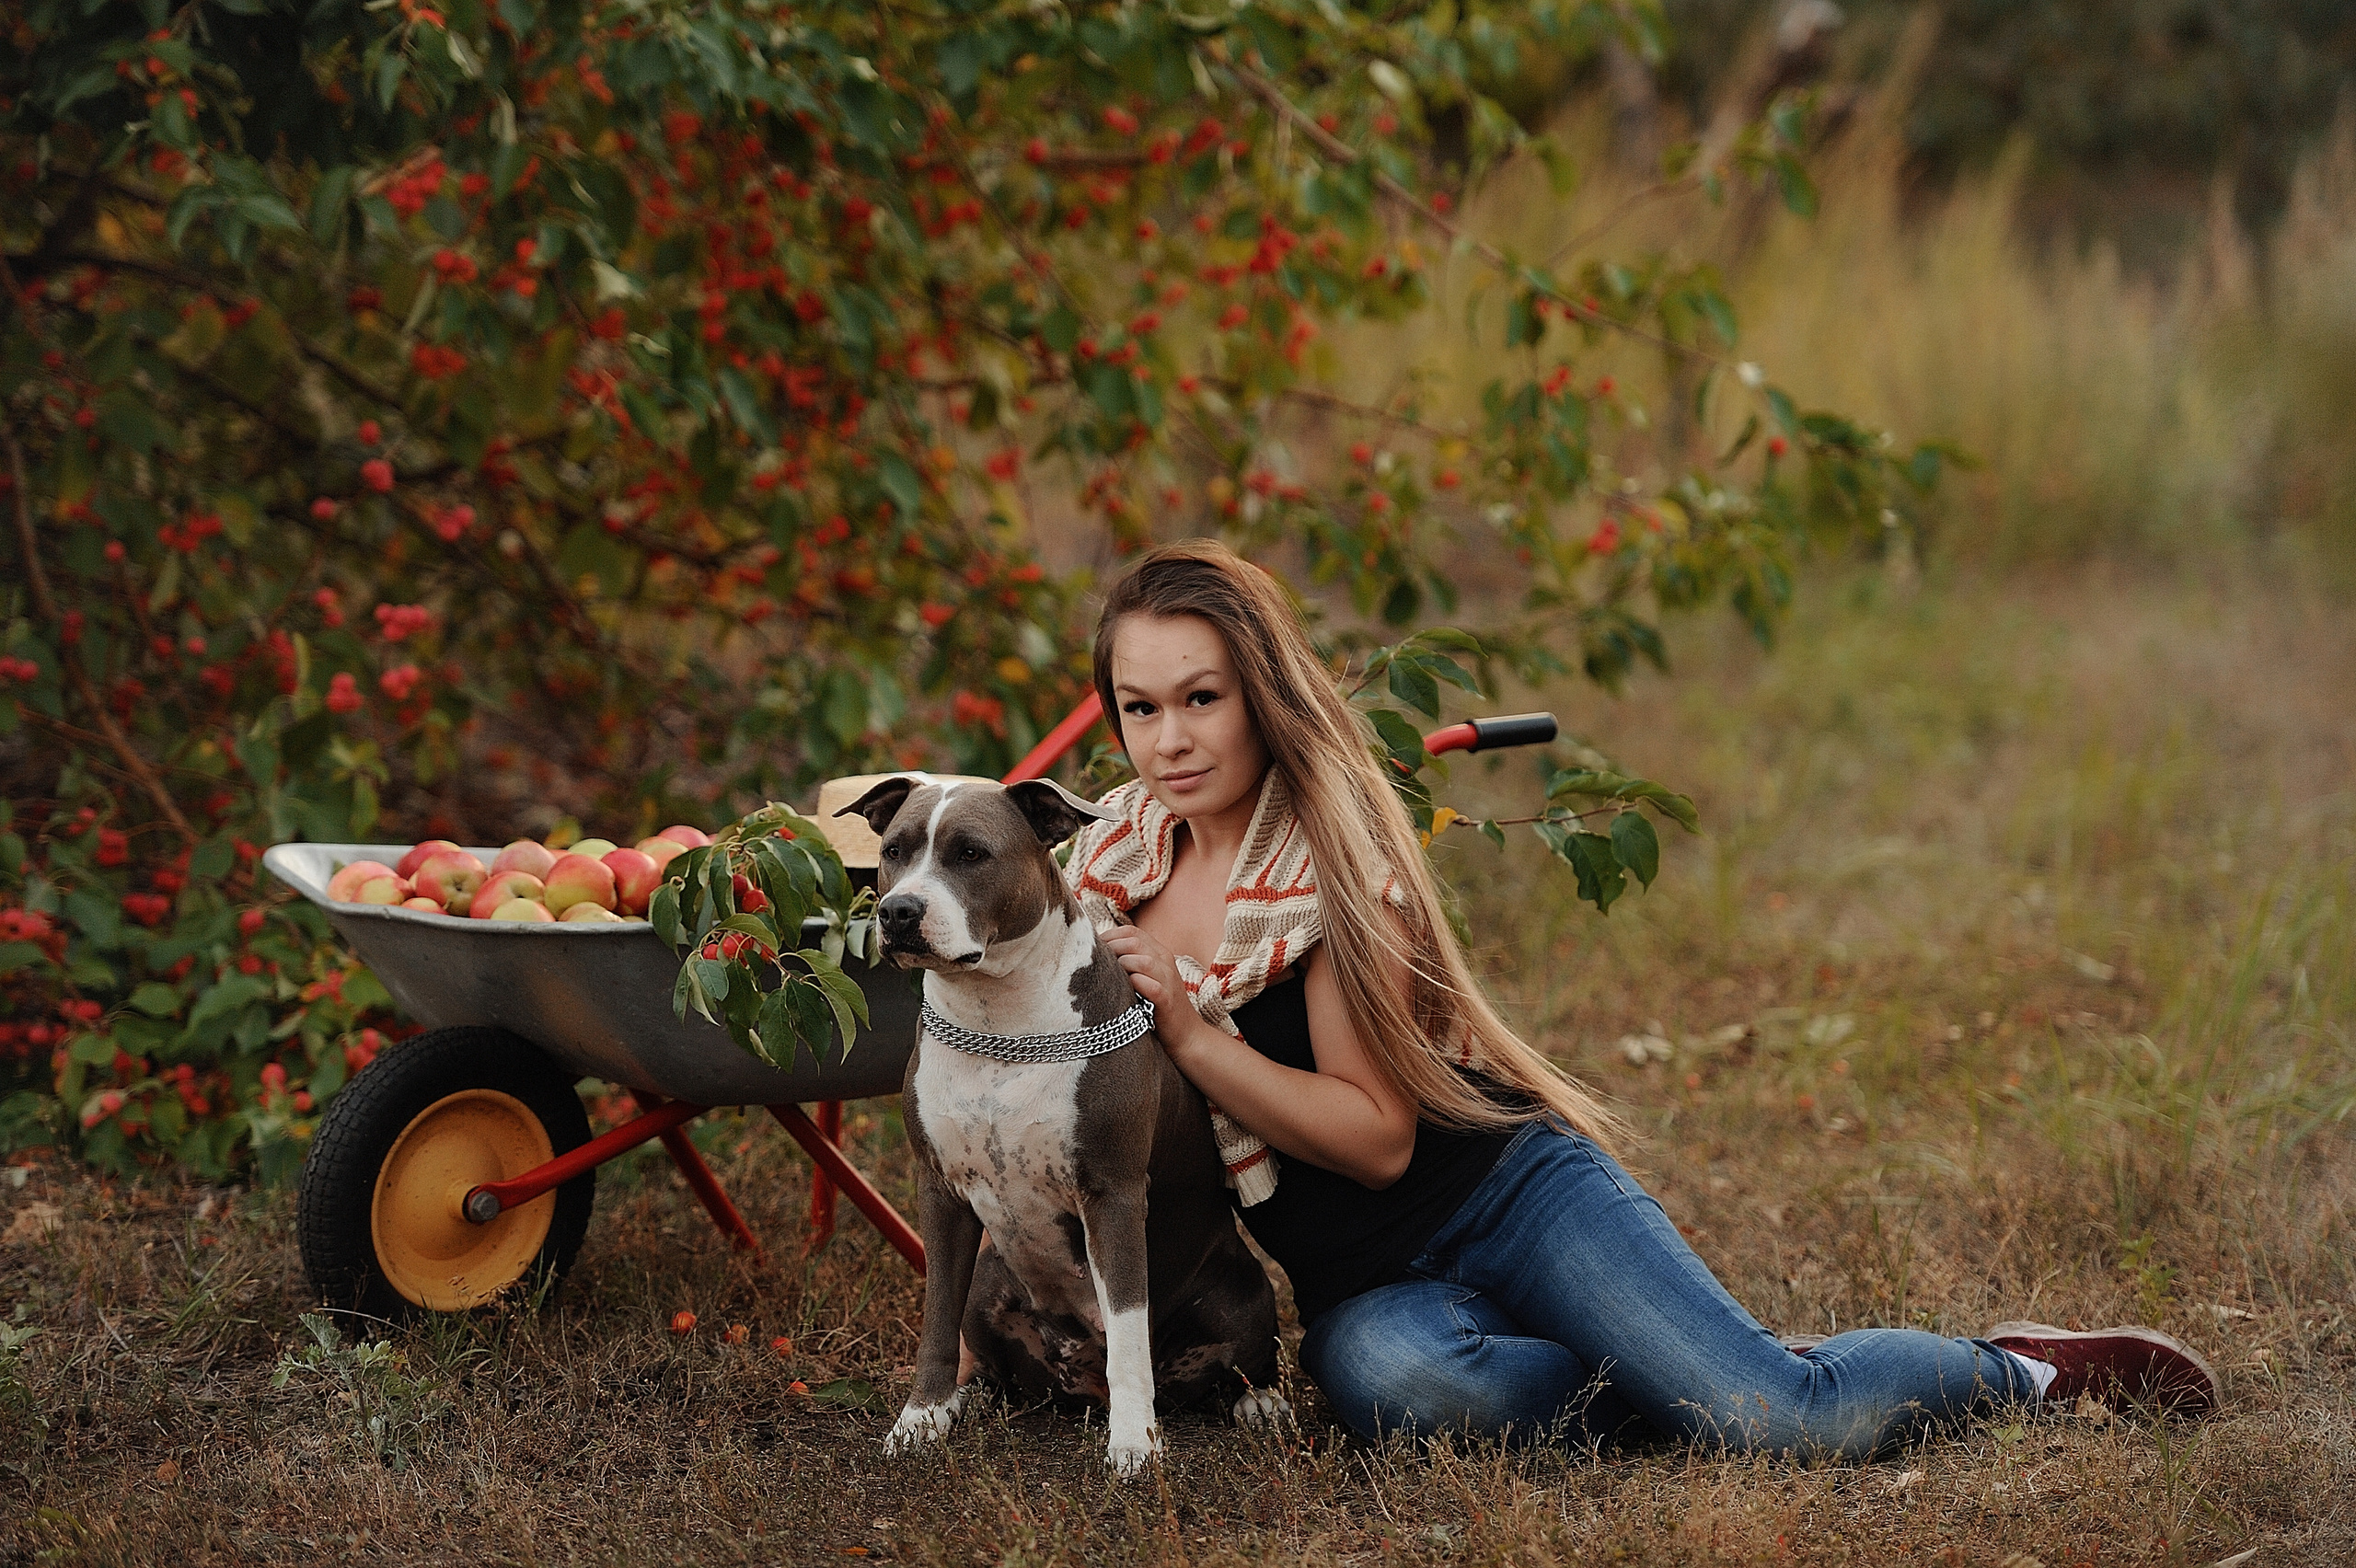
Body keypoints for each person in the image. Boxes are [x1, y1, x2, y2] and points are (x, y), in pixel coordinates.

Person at [1068, 538, 2217, 1455]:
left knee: (1784, 1421)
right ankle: (1688, 1378)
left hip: (1501, 1194)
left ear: (1261, 696)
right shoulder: (1107, 875)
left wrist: (1187, 1033)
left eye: (1201, 698)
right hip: (1363, 1286)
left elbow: (1374, 1143)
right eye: (1140, 708)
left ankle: (2014, 1372)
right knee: (1403, 1393)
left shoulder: (1328, 862)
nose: (1169, 739)